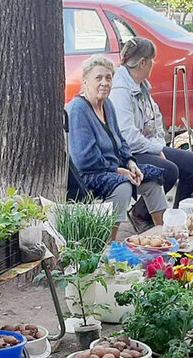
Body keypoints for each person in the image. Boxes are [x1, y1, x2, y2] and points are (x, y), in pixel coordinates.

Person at [68, 54, 169, 236]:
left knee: (153, 178)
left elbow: (121, 142)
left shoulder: (107, 105)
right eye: (98, 78)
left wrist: (131, 163)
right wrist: (116, 170)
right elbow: (84, 158)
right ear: (85, 81)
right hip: (88, 175)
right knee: (122, 185)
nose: (105, 83)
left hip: (113, 169)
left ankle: (160, 237)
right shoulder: (78, 109)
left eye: (108, 77)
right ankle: (107, 244)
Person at [110, 36, 193, 209]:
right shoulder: (120, 90)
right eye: (152, 61)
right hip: (125, 154)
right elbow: (127, 137)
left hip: (145, 146)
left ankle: (179, 215)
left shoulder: (142, 85)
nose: (153, 64)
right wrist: (157, 149)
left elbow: (156, 121)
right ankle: (142, 214)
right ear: (143, 63)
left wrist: (158, 144)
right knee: (168, 170)